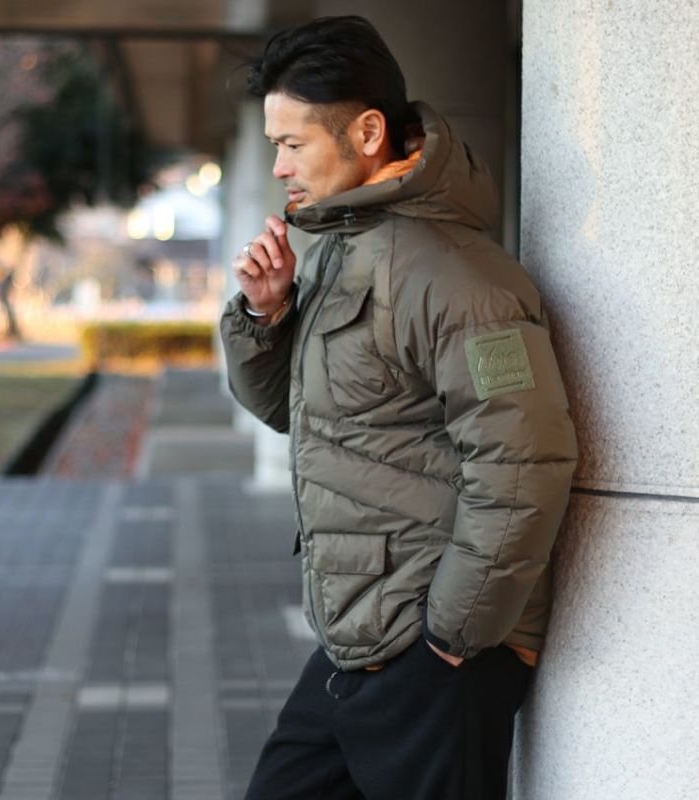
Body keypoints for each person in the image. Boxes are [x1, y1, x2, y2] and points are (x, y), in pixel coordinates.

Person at [220, 15, 577, 800]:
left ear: (369, 132)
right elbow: (294, 414)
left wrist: (453, 636)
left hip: (435, 652)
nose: (279, 166)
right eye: (274, 144)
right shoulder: (342, 253)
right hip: (361, 636)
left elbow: (525, 461)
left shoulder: (455, 275)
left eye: (293, 143)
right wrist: (266, 314)